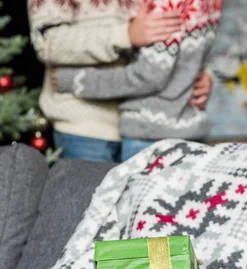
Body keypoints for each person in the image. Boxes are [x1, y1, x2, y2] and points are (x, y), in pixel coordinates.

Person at [27, 0, 212, 163]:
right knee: (88, 200)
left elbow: (182, 27)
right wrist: (125, 35)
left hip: (147, 123)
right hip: (86, 125)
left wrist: (200, 74)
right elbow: (46, 40)